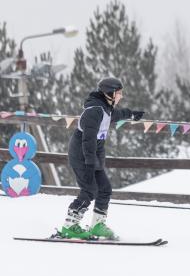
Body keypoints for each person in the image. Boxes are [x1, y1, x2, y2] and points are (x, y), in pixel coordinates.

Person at [59, 77, 145, 240]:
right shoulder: (94, 111)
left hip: (92, 154)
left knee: (104, 188)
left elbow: (116, 115)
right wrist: (90, 163)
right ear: (110, 93)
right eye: (119, 93)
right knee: (90, 190)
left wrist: (132, 114)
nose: (121, 96)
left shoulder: (105, 108)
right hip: (82, 153)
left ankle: (97, 225)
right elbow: (88, 139)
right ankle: (69, 225)